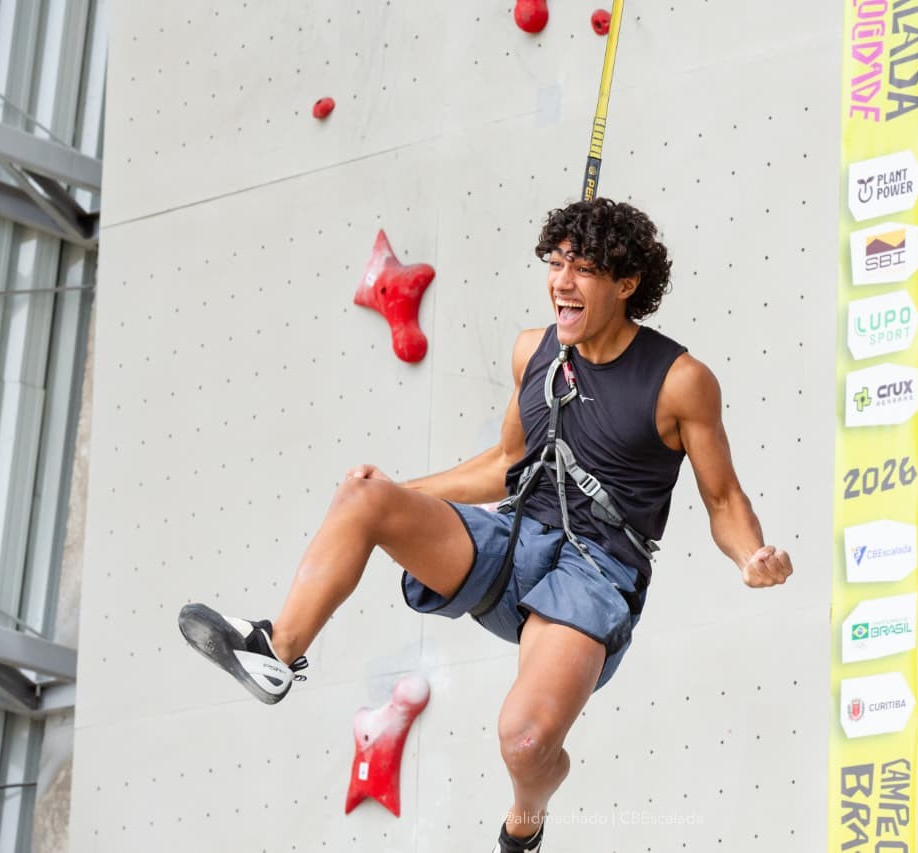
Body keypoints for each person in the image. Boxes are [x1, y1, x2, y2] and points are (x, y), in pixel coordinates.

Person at [178, 198, 794, 853]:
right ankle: (275, 653)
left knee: (526, 741)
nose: (561, 281)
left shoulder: (680, 381)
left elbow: (724, 500)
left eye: (583, 269)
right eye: (556, 264)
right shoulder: (534, 351)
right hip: (515, 544)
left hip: (594, 577)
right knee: (363, 490)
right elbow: (505, 463)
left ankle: (526, 821)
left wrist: (751, 554)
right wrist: (394, 499)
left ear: (627, 284)